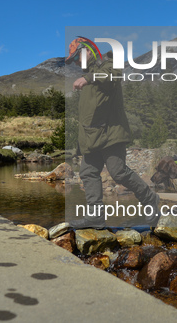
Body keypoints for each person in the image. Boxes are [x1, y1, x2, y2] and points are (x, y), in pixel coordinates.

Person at [65, 37, 160, 229]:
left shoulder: (108, 65)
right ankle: (95, 218)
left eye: (77, 57)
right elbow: (88, 115)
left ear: (88, 51)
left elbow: (112, 74)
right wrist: (79, 146)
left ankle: (150, 200)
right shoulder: (90, 74)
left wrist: (88, 78)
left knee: (118, 172)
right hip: (92, 138)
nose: (76, 62)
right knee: (87, 172)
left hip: (111, 133)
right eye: (73, 60)